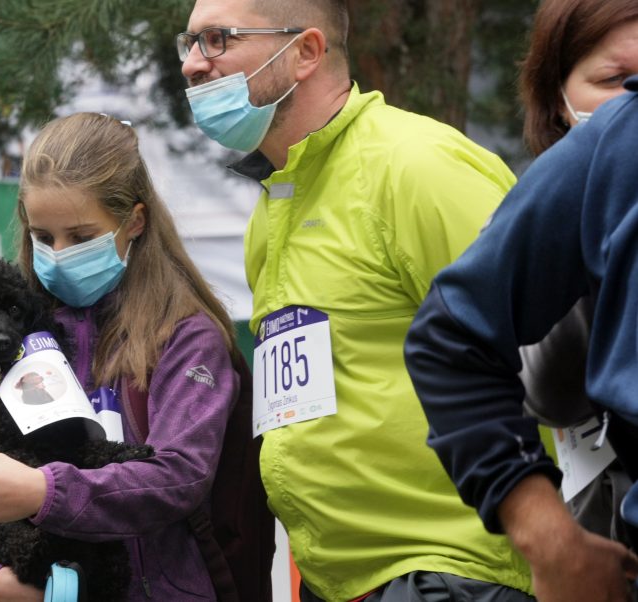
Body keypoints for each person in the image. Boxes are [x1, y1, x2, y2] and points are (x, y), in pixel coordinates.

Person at [178, 0, 533, 600]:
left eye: (217, 39)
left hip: (452, 572)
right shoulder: (276, 202)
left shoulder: (417, 166)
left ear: (306, 53)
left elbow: (540, 362)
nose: (191, 65)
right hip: (333, 579)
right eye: (186, 43)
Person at [0, 112, 274, 601]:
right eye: (43, 237)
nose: (59, 253)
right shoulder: (7, 339)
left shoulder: (185, 337)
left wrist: (44, 493)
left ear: (135, 222)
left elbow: (180, 474)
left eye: (81, 237)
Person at [404, 74, 638, 602]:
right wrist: (547, 535)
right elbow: (453, 334)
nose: (196, 67)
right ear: (557, 99)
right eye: (607, 77)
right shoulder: (620, 140)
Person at [514, 0, 638, 545]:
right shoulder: (546, 209)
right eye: (616, 80)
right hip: (602, 532)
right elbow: (547, 390)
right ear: (559, 101)